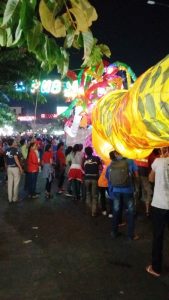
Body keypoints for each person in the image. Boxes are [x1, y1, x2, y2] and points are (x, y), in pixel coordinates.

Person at [146, 147, 169, 277]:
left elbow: (151, 179)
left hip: (160, 204)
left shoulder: (158, 162)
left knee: (158, 237)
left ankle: (156, 268)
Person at [106, 150, 139, 240]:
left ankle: (114, 232)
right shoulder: (130, 161)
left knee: (116, 211)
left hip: (116, 190)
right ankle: (130, 235)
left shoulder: (113, 162)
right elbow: (136, 175)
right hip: (128, 190)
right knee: (130, 212)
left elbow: (107, 176)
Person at [83, 146, 102, 217]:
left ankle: (90, 206)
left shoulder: (85, 160)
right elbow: (100, 168)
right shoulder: (97, 158)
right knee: (94, 195)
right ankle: (93, 211)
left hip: (87, 178)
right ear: (92, 151)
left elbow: (84, 168)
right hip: (94, 178)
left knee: (88, 193)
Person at [5, 138, 23, 203]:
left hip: (9, 168)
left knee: (9, 184)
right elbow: (16, 159)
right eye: (14, 141)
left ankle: (9, 199)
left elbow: (6, 161)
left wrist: (6, 168)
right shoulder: (15, 150)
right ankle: (14, 199)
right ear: (12, 143)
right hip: (15, 168)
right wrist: (20, 168)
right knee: (16, 184)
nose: (15, 142)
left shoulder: (6, 150)